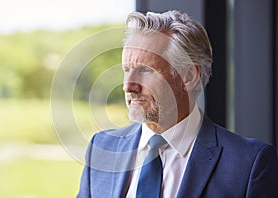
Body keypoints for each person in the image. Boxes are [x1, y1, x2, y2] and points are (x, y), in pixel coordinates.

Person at [77, 10, 278, 198]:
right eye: (126, 69)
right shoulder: (101, 148)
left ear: (189, 76)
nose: (128, 86)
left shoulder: (250, 163)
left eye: (145, 70)